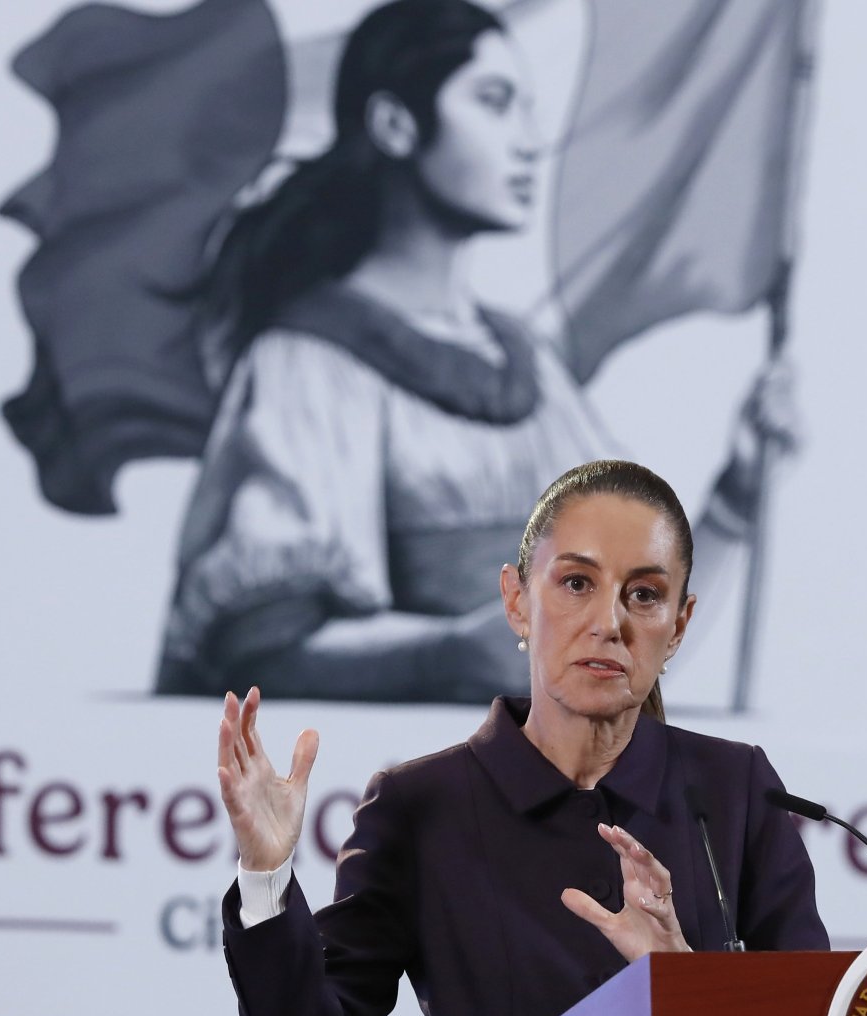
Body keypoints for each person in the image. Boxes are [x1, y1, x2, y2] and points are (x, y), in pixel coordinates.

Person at [156, 0, 797, 702]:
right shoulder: (309, 364)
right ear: (396, 125)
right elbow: (266, 654)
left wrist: (737, 497)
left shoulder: (531, 371)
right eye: (494, 103)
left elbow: (630, 648)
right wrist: (459, 653)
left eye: (526, 108)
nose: (527, 142)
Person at [215, 459, 827, 1016]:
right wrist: (266, 876)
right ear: (516, 601)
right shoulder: (422, 807)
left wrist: (683, 981)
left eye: (644, 594)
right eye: (577, 583)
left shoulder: (736, 791)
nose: (609, 623)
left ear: (679, 625)